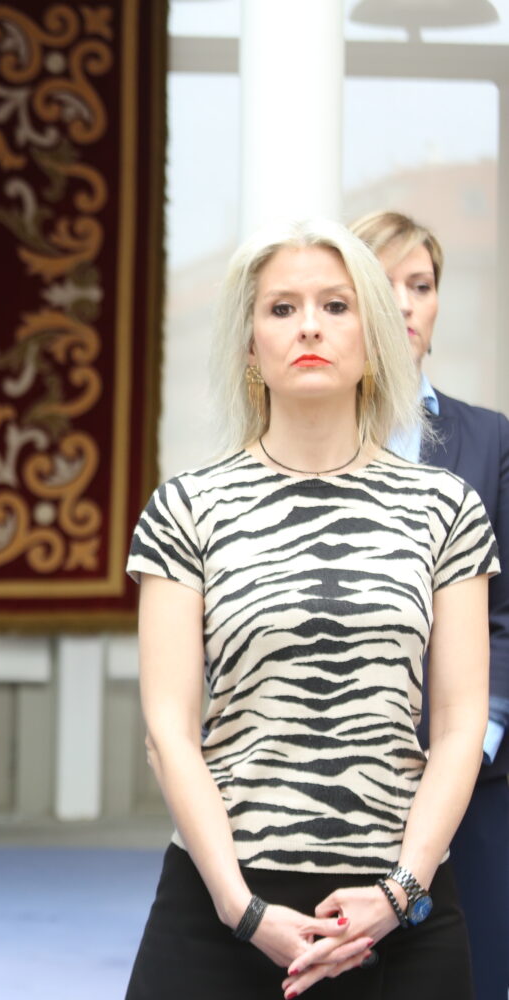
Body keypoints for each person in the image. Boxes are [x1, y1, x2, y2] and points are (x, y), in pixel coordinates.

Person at [124, 219, 496, 999]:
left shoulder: (446, 506)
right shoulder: (185, 507)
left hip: (402, 904)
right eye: (282, 308)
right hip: (221, 899)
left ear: (373, 335)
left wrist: (399, 895)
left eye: (336, 305)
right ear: (250, 346)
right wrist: (242, 908)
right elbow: (169, 729)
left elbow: (461, 725)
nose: (311, 327)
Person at [351, 209, 509, 1000]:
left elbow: (506, 619)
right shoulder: (301, 446)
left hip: (472, 784)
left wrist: (469, 740)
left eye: (423, 285)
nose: (407, 304)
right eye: (386, 285)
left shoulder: (489, 443)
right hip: (335, 774)